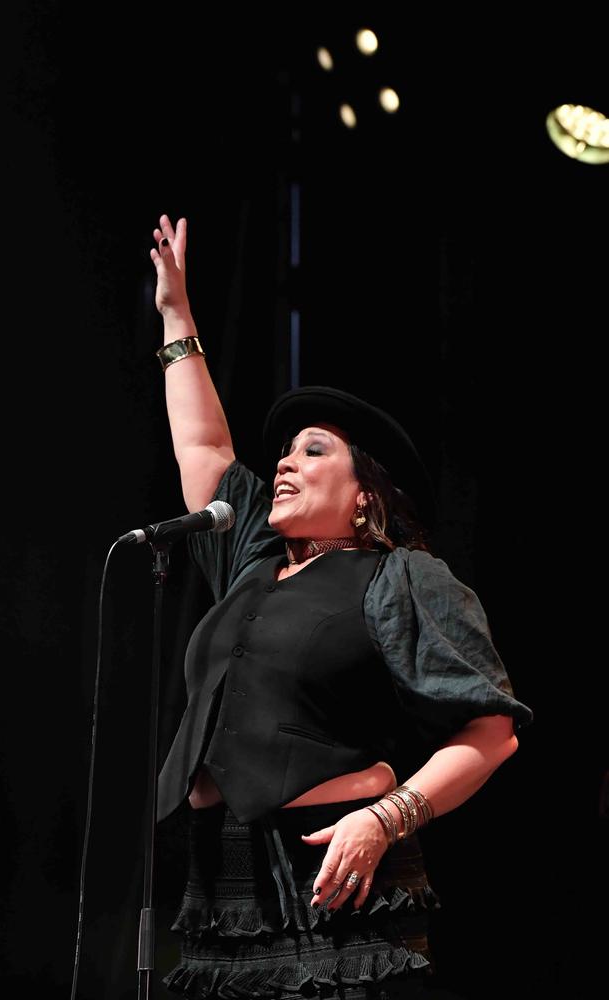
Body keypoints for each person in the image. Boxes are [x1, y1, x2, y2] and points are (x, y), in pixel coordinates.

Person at [149, 213, 533, 999]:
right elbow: (204, 450)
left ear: (365, 497)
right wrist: (177, 317)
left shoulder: (404, 578)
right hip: (222, 873)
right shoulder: (251, 559)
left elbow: (492, 734)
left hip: (333, 863)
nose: (285, 462)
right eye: (283, 453)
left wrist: (388, 817)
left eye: (312, 451)